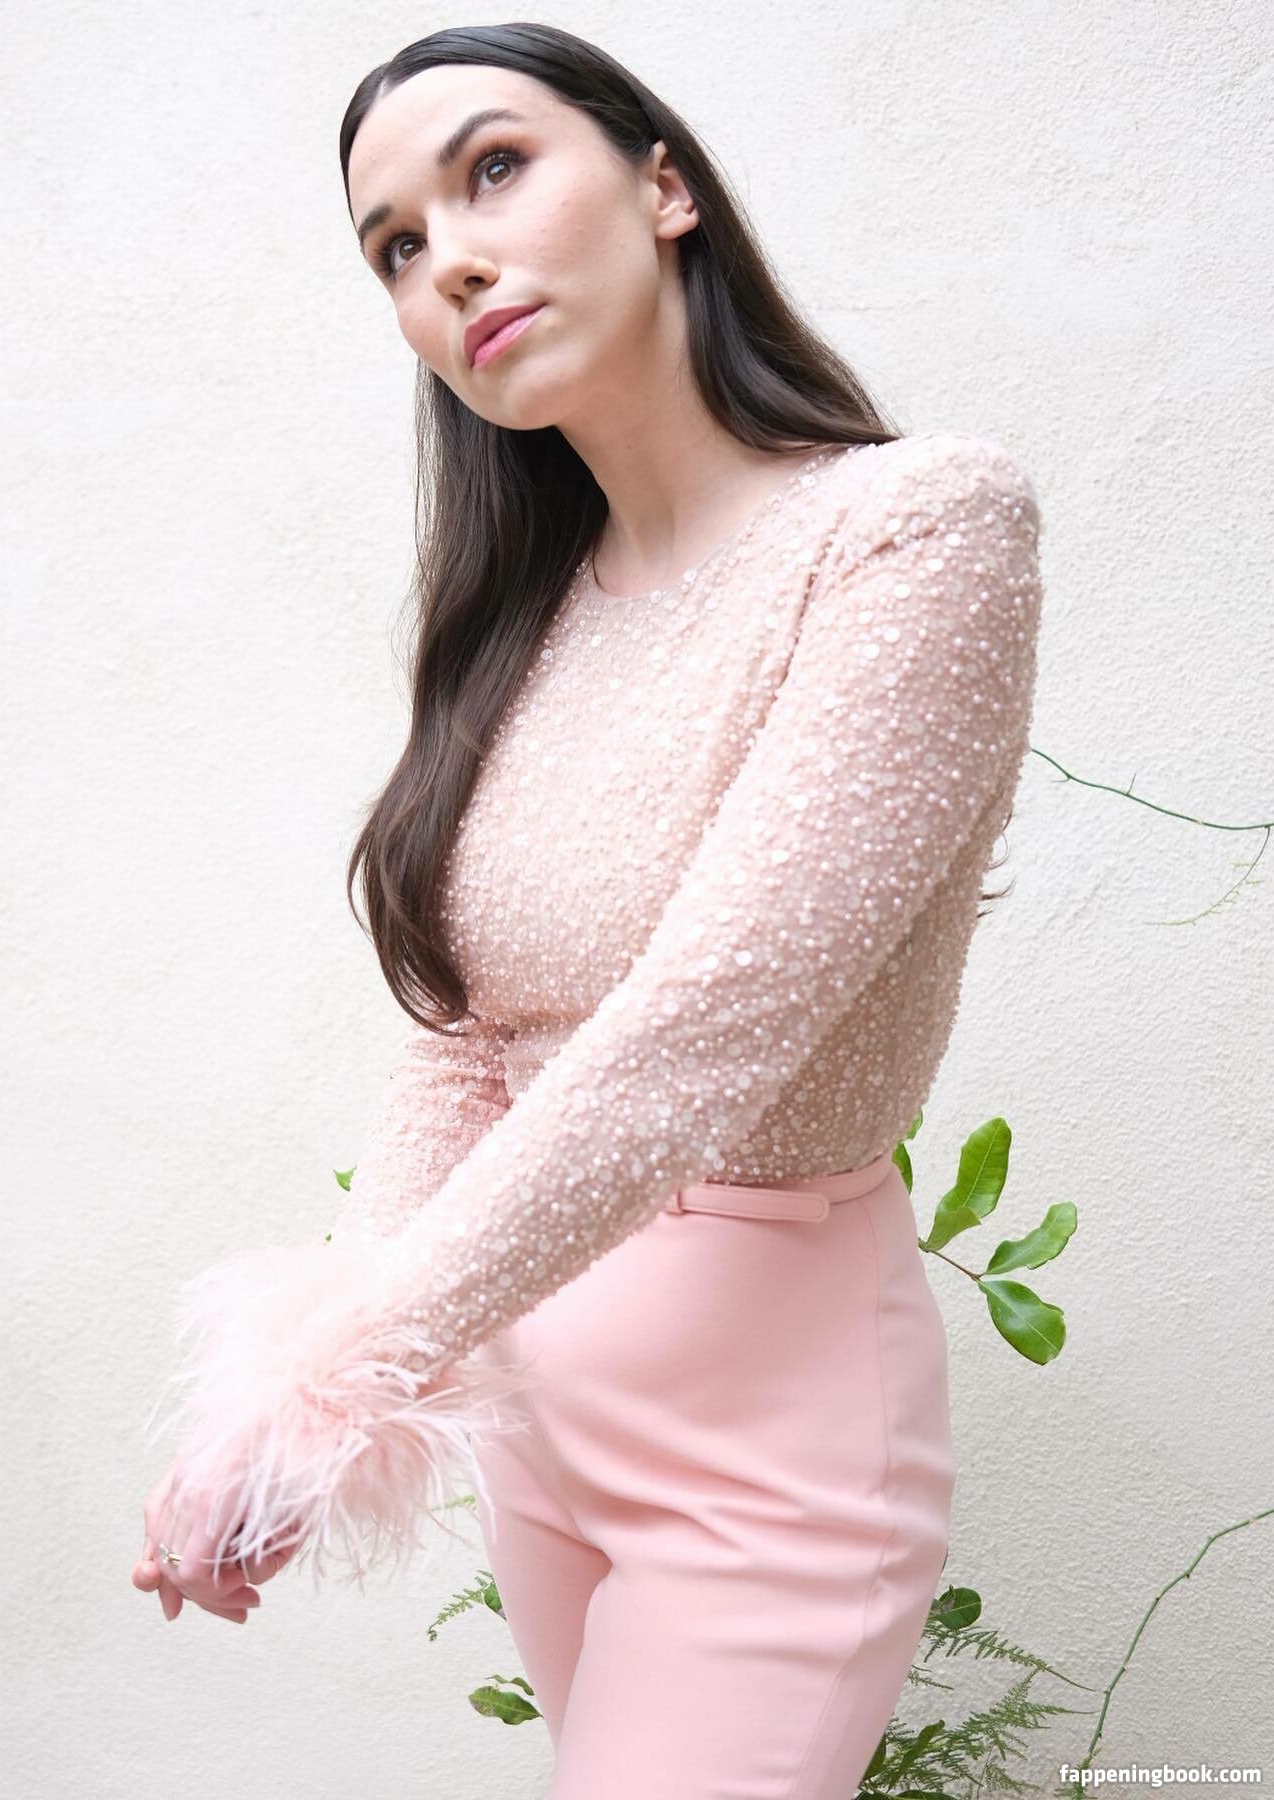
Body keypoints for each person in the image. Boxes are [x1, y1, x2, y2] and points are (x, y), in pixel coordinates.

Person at [131, 22, 1044, 1798]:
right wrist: (305, 1426)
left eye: (495, 171)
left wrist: (331, 1376)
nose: (451, 259)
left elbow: (703, 1034)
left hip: (764, 1444)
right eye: (397, 247)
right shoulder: (526, 627)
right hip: (536, 1423)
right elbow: (463, 1047)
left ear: (664, 184)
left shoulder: (916, 529)